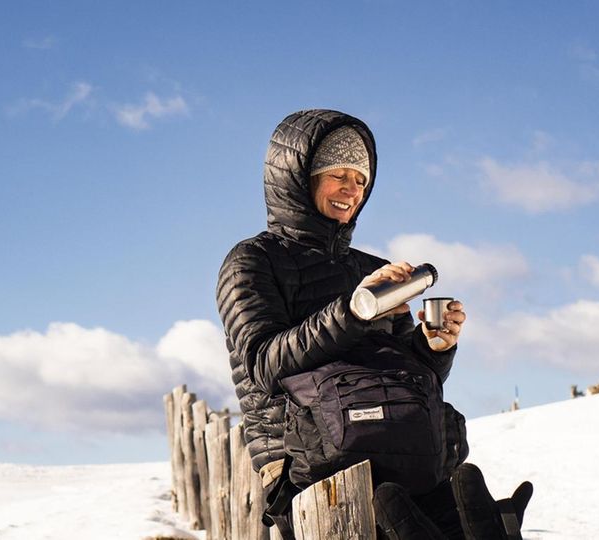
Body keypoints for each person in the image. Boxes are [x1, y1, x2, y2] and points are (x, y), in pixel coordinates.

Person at [216, 109, 530, 539]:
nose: (352, 189)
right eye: (338, 175)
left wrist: (434, 348)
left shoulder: (371, 269)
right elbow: (264, 364)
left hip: (401, 445)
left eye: (361, 180)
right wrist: (354, 311)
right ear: (298, 178)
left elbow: (408, 378)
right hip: (307, 464)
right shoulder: (252, 261)